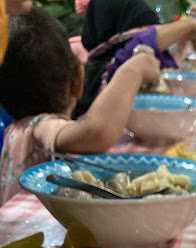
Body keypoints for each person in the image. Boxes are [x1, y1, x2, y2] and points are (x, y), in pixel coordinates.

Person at [0, 8, 160, 205]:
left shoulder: (14, 131)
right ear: (78, 78)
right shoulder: (38, 126)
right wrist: (133, 69)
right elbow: (97, 133)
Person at [75, 0, 196, 117]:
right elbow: (133, 51)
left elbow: (155, 51)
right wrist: (189, 25)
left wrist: (183, 36)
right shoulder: (99, 80)